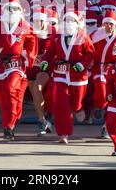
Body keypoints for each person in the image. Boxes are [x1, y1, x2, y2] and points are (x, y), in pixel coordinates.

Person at [0, 0, 38, 141]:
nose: (12, 11)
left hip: (16, 63)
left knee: (10, 90)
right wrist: (3, 41)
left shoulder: (25, 26)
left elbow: (32, 40)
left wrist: (28, 55)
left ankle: (9, 126)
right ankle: (12, 119)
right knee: (4, 97)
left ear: (20, 10)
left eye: (15, 9)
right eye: (9, 8)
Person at [40, 10, 95, 144]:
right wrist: (45, 61)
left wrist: (82, 65)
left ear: (77, 23)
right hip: (60, 73)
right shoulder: (57, 36)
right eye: (66, 20)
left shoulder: (83, 36)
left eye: (72, 20)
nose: (69, 23)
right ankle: (63, 134)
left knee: (75, 102)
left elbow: (90, 53)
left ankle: (78, 108)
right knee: (61, 104)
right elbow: (50, 52)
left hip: (77, 74)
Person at [90, 9, 116, 139]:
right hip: (99, 68)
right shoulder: (96, 34)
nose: (108, 26)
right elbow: (88, 49)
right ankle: (98, 106)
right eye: (106, 23)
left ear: (115, 24)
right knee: (101, 91)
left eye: (111, 24)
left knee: (113, 97)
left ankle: (106, 126)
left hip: (115, 70)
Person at [28, 6, 56, 136]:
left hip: (47, 69)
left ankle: (45, 119)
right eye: (36, 20)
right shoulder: (28, 32)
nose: (39, 23)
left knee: (38, 89)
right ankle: (43, 120)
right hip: (31, 68)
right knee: (36, 96)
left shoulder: (54, 33)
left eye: (42, 20)